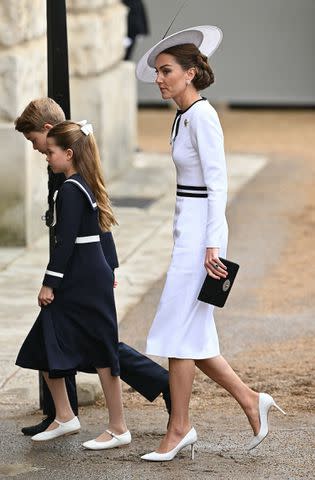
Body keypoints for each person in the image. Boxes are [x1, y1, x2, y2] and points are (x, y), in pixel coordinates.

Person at [136, 26, 286, 461]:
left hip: (202, 237)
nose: (159, 79)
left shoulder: (203, 116)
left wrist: (212, 245)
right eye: (158, 72)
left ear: (191, 73)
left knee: (178, 334)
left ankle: (180, 427)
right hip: (188, 231)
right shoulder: (181, 116)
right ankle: (249, 399)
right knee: (192, 336)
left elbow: (218, 184)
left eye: (166, 71)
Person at [14, 99, 170, 440]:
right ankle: (64, 415)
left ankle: (121, 418)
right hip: (83, 271)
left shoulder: (69, 176)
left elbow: (79, 235)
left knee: (101, 347)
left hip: (81, 274)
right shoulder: (73, 167)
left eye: (37, 145)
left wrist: (59, 280)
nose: (40, 153)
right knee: (54, 342)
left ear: (51, 137)